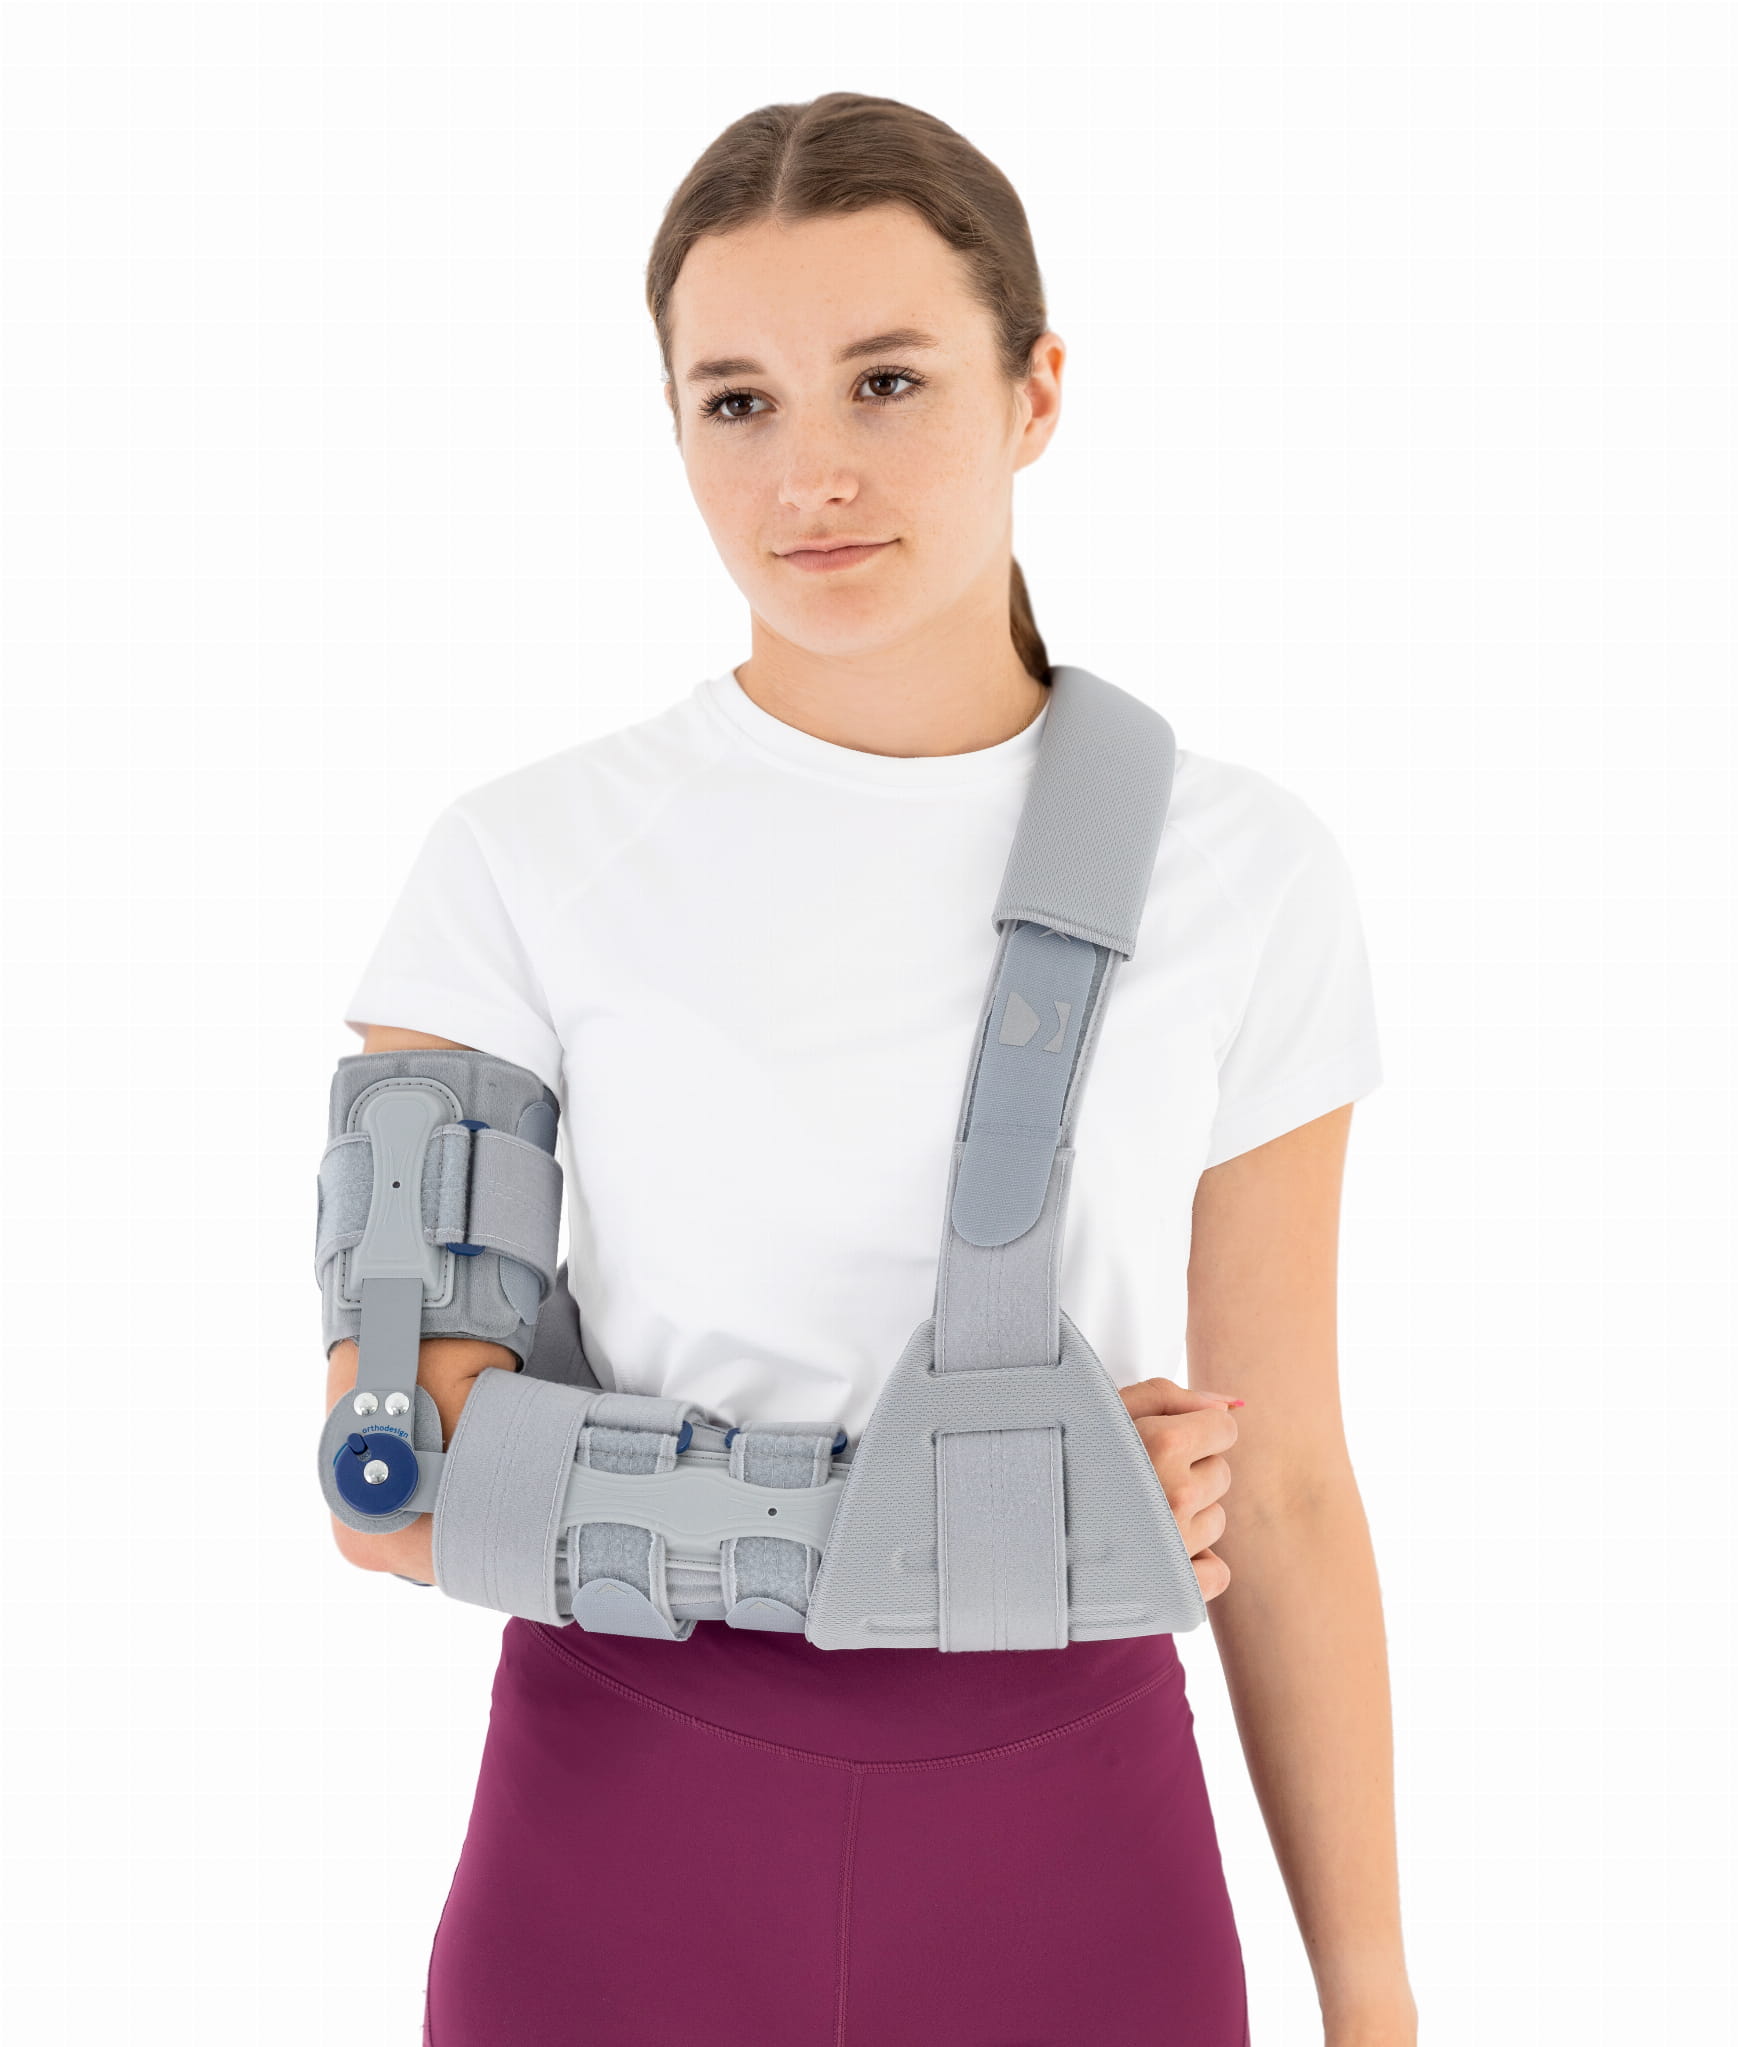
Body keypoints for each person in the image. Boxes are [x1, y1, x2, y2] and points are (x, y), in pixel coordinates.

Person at [325, 91, 1415, 2047]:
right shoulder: (520, 859)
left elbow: (1294, 1494)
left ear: (1034, 391)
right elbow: (393, 1474)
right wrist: (985, 1516)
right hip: (620, 1866)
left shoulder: (1240, 870)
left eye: (886, 382)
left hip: (1074, 1867)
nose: (809, 472)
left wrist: (1373, 1994)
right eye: (735, 402)